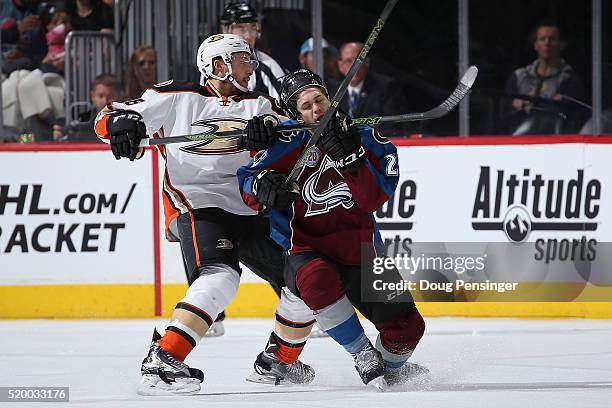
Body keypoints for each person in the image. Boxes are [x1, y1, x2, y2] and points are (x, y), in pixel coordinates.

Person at [94, 34, 316, 395]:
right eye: (244, 59)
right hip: (200, 206)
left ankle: (280, 359)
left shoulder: (259, 103)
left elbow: (297, 139)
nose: (252, 65)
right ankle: (164, 359)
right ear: (218, 65)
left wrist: (274, 132)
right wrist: (120, 128)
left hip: (252, 208)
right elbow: (110, 117)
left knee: (308, 280)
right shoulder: (175, 97)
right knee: (220, 278)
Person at [238, 69, 428, 388]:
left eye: (320, 100)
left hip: (361, 249)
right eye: (306, 106)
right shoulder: (283, 143)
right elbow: (246, 179)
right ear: (293, 114)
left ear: (332, 99)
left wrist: (353, 161)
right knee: (317, 280)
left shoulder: (367, 138)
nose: (316, 110)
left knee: (408, 328)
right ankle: (362, 353)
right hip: (307, 250)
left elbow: (371, 200)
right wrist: (260, 185)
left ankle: (391, 370)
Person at [503, 22, 587, 134]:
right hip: (517, 141)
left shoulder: (570, 80)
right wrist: (512, 104)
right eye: (542, 39)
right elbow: (503, 109)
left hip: (553, 142)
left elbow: (574, 116)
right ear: (536, 45)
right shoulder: (518, 76)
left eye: (552, 39)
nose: (547, 43)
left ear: (561, 45)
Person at [337, 42, 411, 137]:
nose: (354, 66)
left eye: (358, 61)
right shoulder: (333, 92)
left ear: (367, 62)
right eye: (348, 61)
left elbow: (393, 126)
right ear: (340, 65)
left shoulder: (386, 87)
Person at [216, 1, 285, 100]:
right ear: (225, 30)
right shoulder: (213, 65)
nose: (248, 36)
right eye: (241, 29)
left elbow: (283, 111)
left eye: (253, 28)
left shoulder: (269, 67)